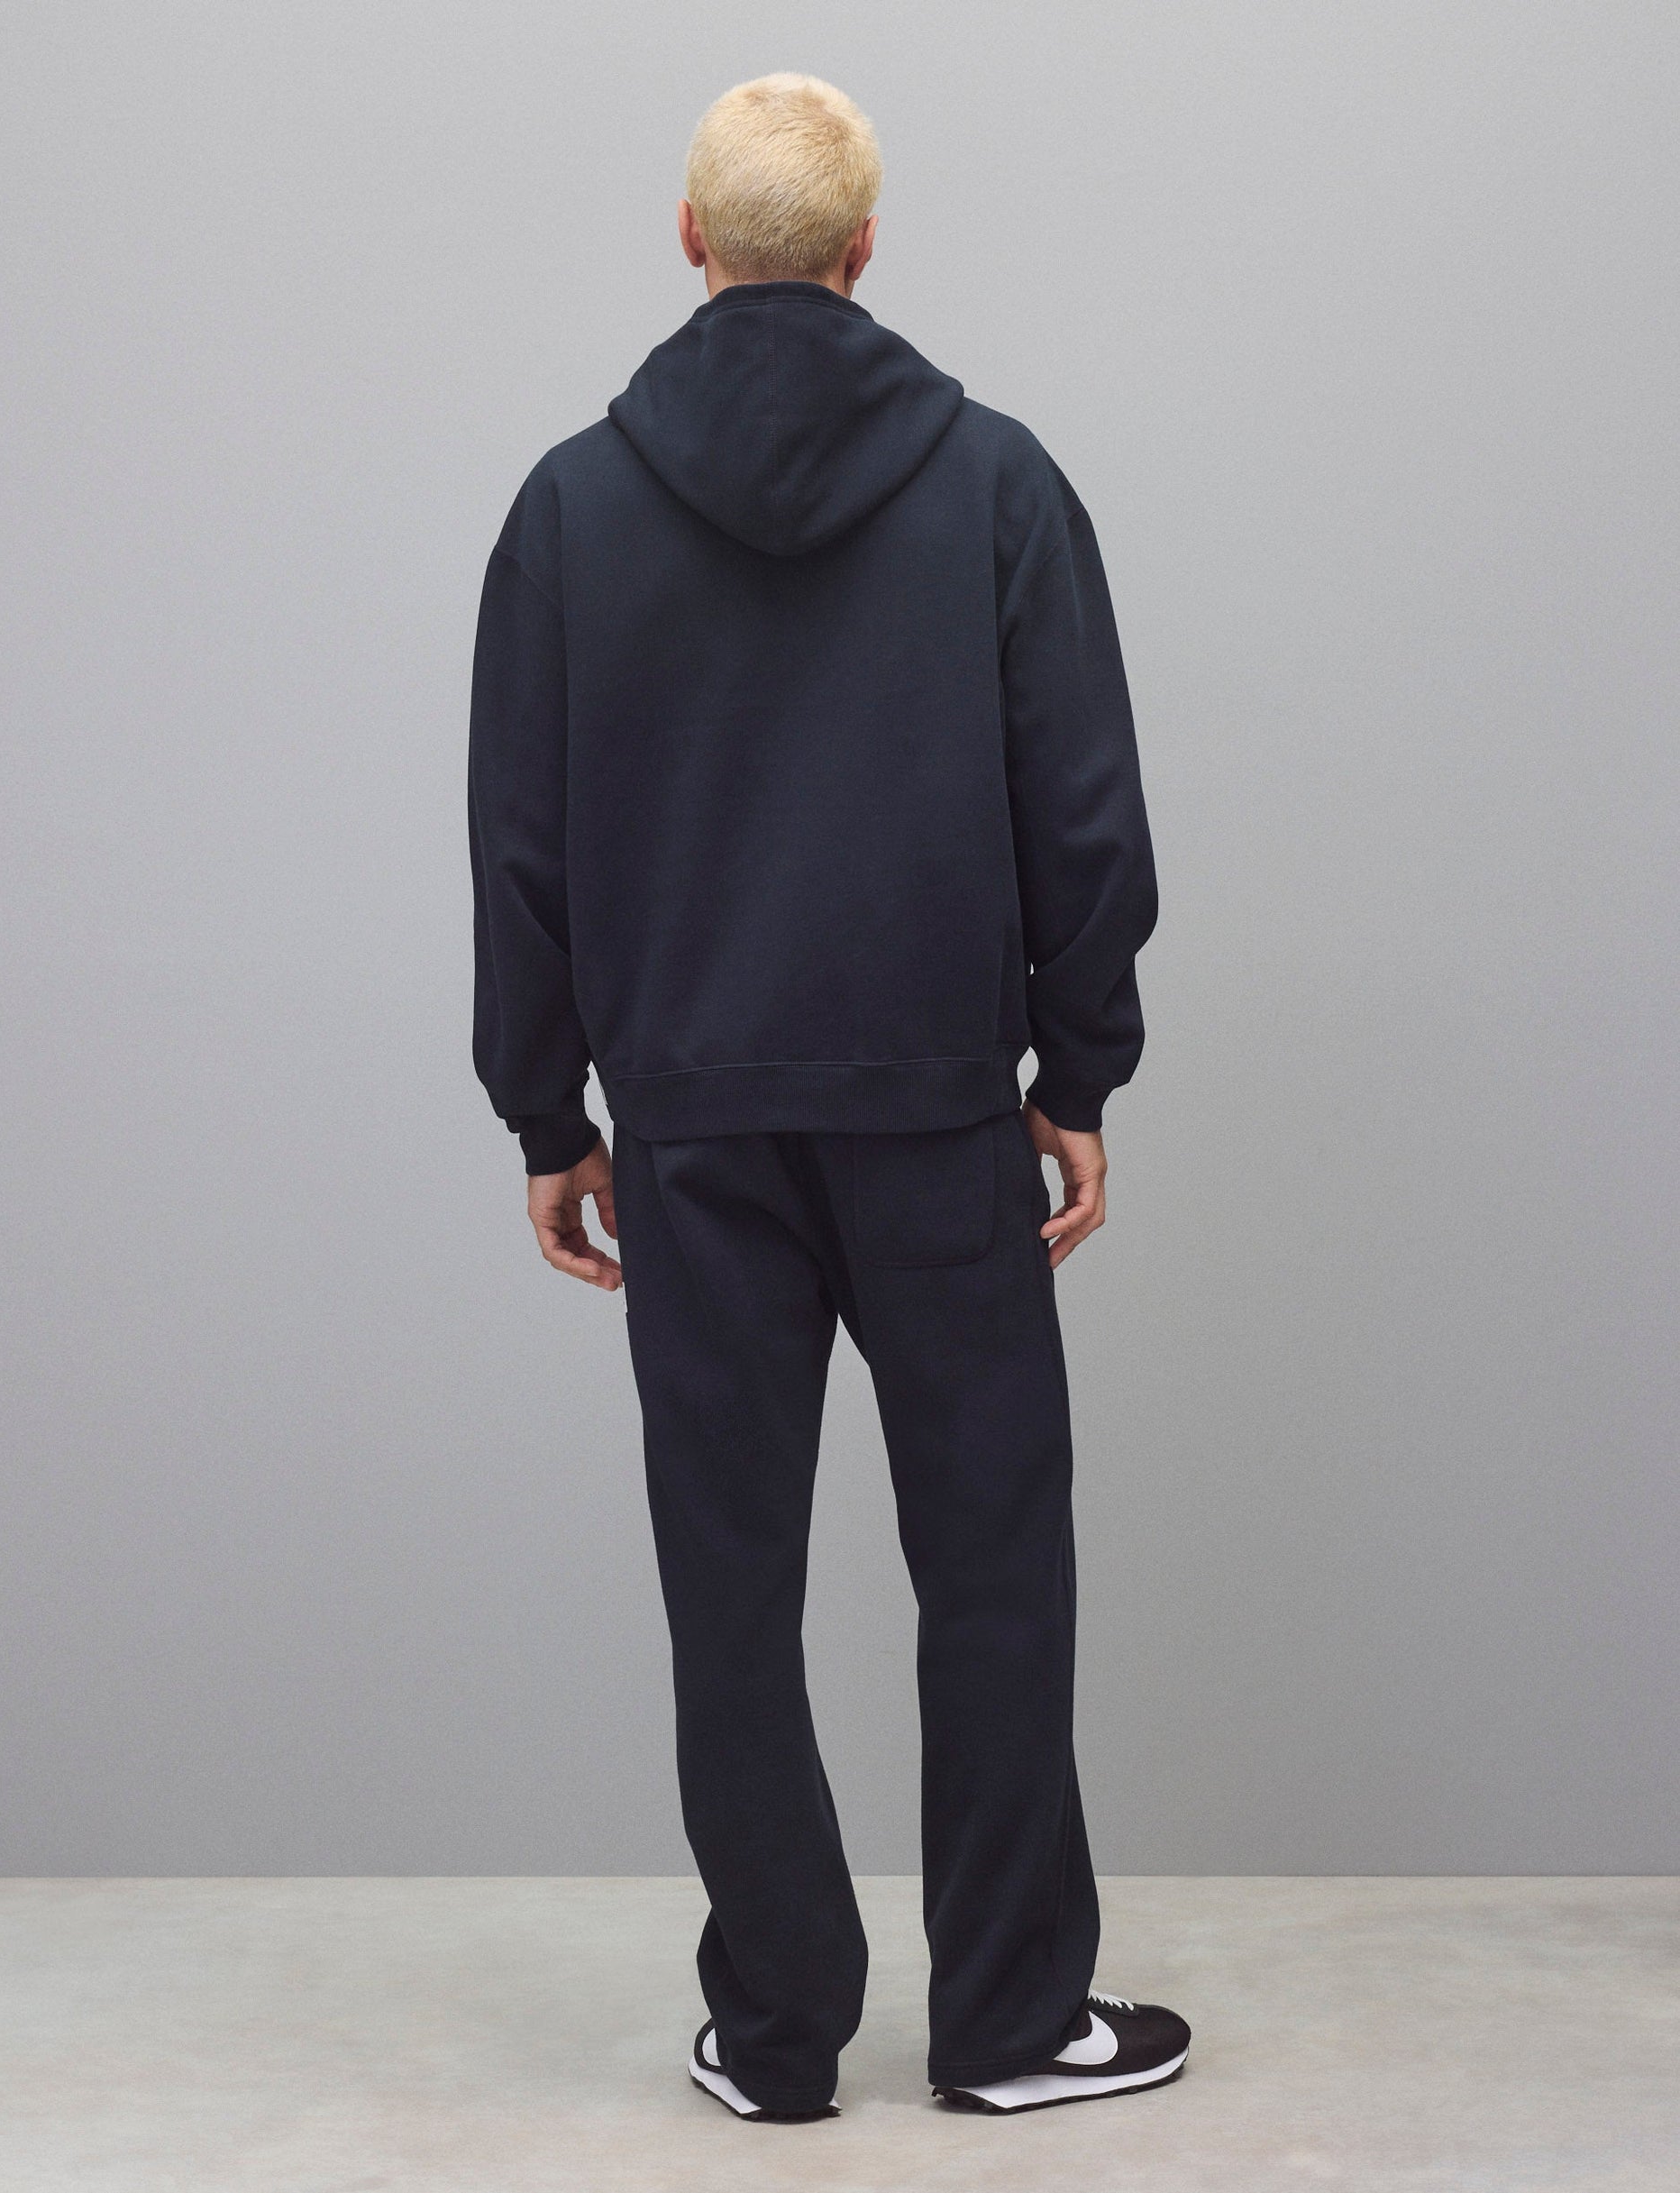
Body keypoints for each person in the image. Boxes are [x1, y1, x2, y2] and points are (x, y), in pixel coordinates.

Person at [468, 71, 1189, 2121]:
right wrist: (1078, 1065)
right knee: (994, 1564)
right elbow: (1085, 809)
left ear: (689, 240)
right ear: (867, 249)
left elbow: (518, 843)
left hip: (692, 1134)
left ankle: (779, 2035)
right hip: (941, 1117)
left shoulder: (570, 509)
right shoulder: (997, 483)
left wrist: (548, 1115)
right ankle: (1013, 2021)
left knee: (730, 1585)